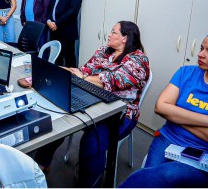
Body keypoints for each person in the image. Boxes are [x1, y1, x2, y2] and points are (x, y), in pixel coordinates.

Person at [121, 31, 208, 187]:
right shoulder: (186, 73)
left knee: (161, 177)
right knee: (150, 179)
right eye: (201, 48)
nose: (201, 54)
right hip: (170, 140)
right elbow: (161, 107)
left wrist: (176, 117)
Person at [35, 21, 150, 187]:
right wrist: (70, 72)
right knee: (60, 118)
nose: (109, 35)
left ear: (125, 38)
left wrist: (83, 78)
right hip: (92, 98)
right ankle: (41, 163)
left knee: (92, 140)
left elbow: (115, 80)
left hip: (121, 113)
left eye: (113, 32)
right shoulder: (103, 51)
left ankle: (88, 184)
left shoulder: (138, 59)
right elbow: (85, 70)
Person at [46, 0, 83, 67]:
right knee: (55, 59)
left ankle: (72, 83)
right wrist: (48, 21)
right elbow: (50, 7)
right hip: (53, 30)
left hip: (66, 31)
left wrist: (56, 24)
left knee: (69, 61)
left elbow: (73, 10)